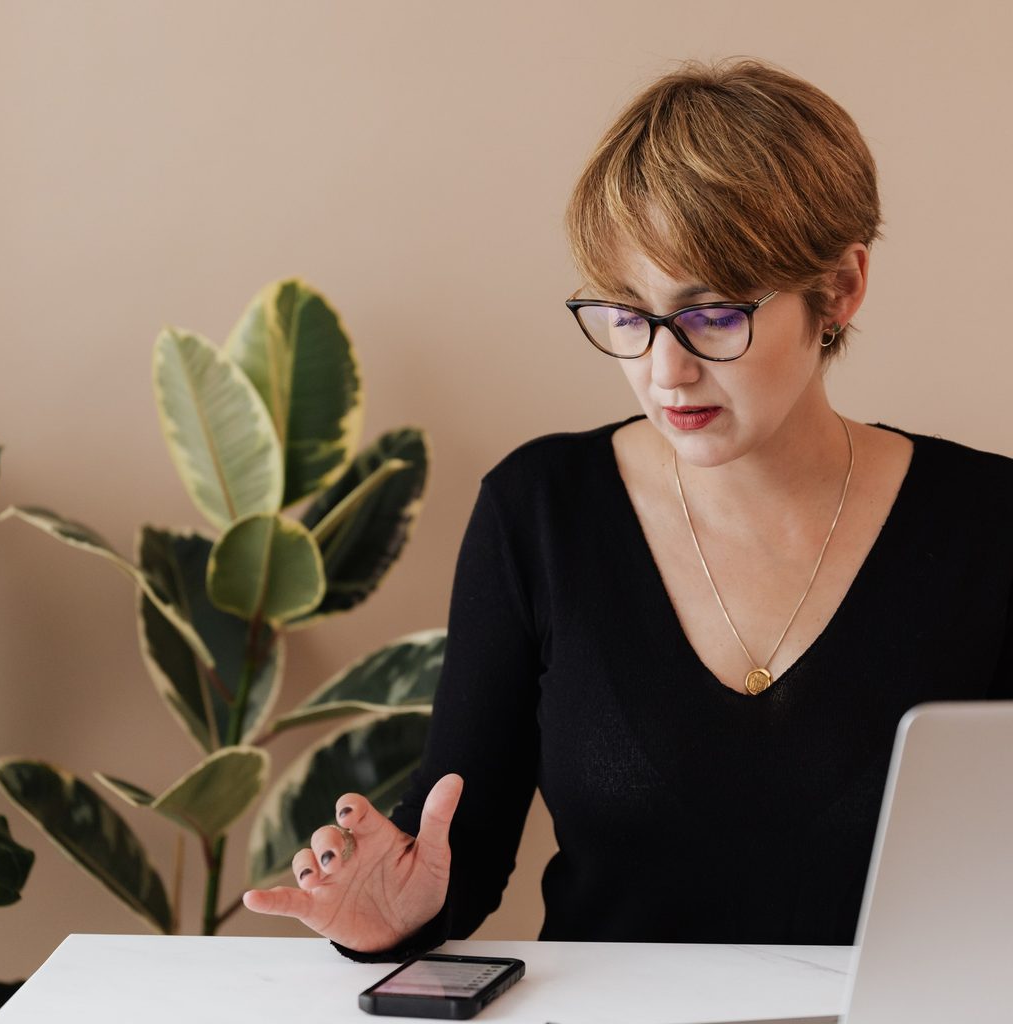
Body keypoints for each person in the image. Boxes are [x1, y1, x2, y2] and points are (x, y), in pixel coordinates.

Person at [243, 58, 1013, 959]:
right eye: (625, 312)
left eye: (711, 316)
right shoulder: (538, 513)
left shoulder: (989, 524)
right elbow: (463, 848)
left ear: (839, 289)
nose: (663, 370)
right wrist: (394, 913)